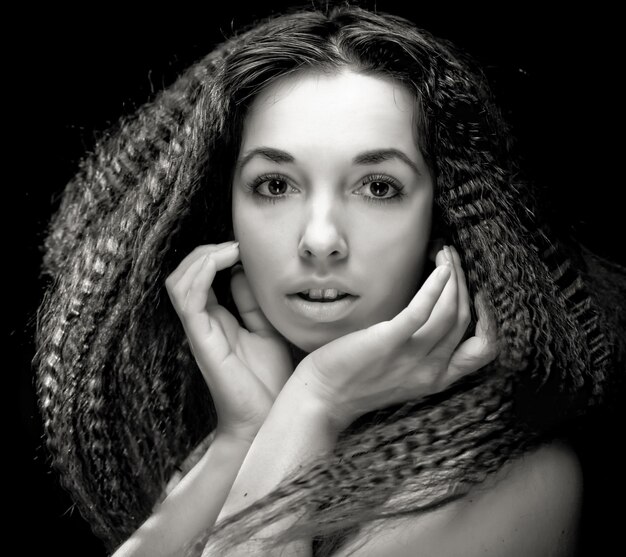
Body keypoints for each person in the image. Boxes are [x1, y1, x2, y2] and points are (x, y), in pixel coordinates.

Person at [34, 3, 625, 556]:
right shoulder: (264, 422)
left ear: (443, 220)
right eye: (275, 185)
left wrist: (318, 398)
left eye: (378, 187)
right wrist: (246, 433)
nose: (319, 239)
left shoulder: (509, 478)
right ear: (226, 212)